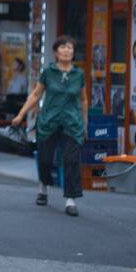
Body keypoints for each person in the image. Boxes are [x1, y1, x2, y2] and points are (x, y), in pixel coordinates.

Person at [12, 36, 88, 217]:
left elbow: (83, 99)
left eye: (70, 47)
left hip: (72, 122)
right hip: (48, 121)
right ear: (56, 52)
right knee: (45, 159)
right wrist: (21, 114)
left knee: (71, 160)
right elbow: (36, 95)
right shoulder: (48, 72)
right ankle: (43, 187)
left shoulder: (79, 75)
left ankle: (71, 199)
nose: (67, 50)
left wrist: (85, 123)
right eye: (63, 47)